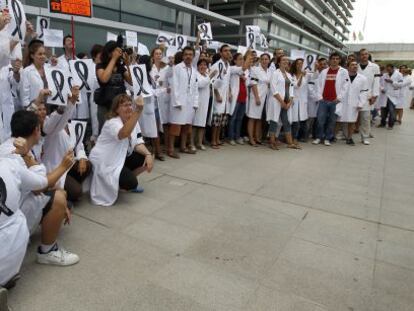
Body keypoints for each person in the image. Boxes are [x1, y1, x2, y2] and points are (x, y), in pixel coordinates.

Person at [0, 111, 80, 266]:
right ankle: (48, 251)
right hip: (9, 219)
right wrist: (63, 166)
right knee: (58, 199)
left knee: (61, 197)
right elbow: (39, 186)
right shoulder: (15, 154)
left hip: (9, 210)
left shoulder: (10, 146)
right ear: (36, 130)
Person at [89, 95, 153, 206]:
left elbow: (138, 142)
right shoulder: (112, 122)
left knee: (144, 158)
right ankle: (120, 183)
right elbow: (123, 133)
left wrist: (148, 154)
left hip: (120, 157)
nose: (128, 107)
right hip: (105, 161)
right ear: (116, 109)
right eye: (124, 105)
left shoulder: (133, 121)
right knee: (131, 182)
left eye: (130, 104)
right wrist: (138, 111)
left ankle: (120, 183)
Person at [313, 52, 349, 146]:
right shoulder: (324, 71)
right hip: (323, 100)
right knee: (320, 120)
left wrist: (339, 98)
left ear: (339, 60)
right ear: (330, 60)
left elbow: (346, 86)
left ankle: (327, 138)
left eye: (337, 59)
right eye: (333, 58)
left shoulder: (343, 72)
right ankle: (319, 137)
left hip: (335, 101)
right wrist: (320, 97)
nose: (335, 60)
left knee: (332, 121)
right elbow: (318, 85)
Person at [95, 40, 132, 131]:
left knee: (121, 129)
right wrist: (113, 59)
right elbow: (104, 79)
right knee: (105, 130)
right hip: (105, 104)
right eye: (116, 50)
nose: (118, 53)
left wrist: (127, 64)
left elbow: (132, 81)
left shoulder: (120, 67)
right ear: (109, 52)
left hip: (120, 105)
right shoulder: (100, 65)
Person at [168, 46, 198, 157]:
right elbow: (174, 85)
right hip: (179, 103)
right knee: (175, 126)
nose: (188, 56)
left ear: (193, 56)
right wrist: (177, 102)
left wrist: (195, 103)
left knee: (187, 127)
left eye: (190, 54)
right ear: (183, 56)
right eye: (186, 54)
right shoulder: (177, 68)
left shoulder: (194, 70)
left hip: (189, 103)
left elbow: (195, 88)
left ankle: (183, 147)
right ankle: (170, 149)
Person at [267, 55, 297, 149]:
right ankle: (272, 143)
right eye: (283, 60)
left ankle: (290, 143)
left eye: (287, 60)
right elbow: (273, 89)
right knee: (274, 121)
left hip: (287, 102)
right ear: (279, 62)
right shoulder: (275, 73)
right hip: (277, 101)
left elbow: (292, 90)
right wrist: (281, 101)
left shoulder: (289, 75)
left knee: (286, 121)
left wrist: (290, 101)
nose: (285, 61)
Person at [138, 55, 164, 161]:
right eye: (150, 61)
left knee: (155, 130)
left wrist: (158, 84)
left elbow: (153, 87)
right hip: (147, 108)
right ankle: (148, 153)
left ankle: (157, 151)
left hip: (154, 106)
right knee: (145, 132)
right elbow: (147, 91)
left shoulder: (149, 74)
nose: (151, 63)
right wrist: (161, 90)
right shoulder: (141, 75)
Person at [339, 61, 368, 145]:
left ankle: (349, 138)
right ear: (348, 67)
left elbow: (364, 92)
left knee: (351, 121)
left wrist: (361, 103)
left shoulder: (363, 78)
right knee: (338, 120)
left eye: (356, 65)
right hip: (342, 101)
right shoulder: (342, 76)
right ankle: (333, 136)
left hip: (354, 103)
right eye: (352, 65)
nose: (355, 66)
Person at [210, 44, 232, 149]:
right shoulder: (217, 65)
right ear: (221, 52)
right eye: (225, 51)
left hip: (225, 96)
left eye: (229, 51)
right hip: (218, 96)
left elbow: (227, 82)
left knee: (221, 120)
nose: (228, 52)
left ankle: (218, 139)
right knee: (216, 120)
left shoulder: (228, 65)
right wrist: (217, 94)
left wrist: (230, 92)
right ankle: (213, 140)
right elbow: (212, 82)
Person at [247, 53, 271, 146]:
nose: (265, 61)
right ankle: (251, 138)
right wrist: (257, 97)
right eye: (263, 59)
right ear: (260, 60)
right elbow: (253, 83)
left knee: (259, 118)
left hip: (265, 97)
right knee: (252, 117)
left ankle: (257, 137)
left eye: (266, 59)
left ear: (269, 60)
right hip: (256, 96)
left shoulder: (269, 71)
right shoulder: (255, 69)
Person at [357, 49, 380, 145]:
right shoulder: (356, 66)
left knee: (366, 117)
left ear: (368, 55)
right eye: (362, 54)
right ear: (359, 56)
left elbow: (377, 82)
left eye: (366, 54)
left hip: (368, 95)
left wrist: (374, 96)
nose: (364, 56)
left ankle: (365, 137)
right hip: (355, 95)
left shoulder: (374, 67)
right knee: (352, 116)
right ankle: (347, 135)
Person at [21, 40, 51, 109]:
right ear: (32, 56)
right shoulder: (27, 71)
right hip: (34, 110)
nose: (43, 56)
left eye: (44, 54)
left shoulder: (49, 68)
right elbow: (24, 99)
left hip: (49, 109)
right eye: (40, 54)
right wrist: (29, 111)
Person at [192, 59, 213, 150]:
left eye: (205, 65)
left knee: (202, 124)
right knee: (194, 124)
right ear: (197, 66)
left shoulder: (206, 75)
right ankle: (191, 143)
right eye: (201, 65)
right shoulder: (195, 74)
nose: (203, 66)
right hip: (197, 102)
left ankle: (199, 143)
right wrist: (210, 77)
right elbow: (200, 84)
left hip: (205, 102)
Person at [290, 58, 309, 146]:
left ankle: (298, 137)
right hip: (293, 101)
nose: (300, 65)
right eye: (298, 64)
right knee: (294, 121)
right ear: (295, 65)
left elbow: (316, 77)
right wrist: (301, 75)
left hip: (302, 101)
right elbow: (297, 85)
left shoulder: (307, 75)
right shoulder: (291, 75)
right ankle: (294, 138)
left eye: (301, 64)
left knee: (301, 121)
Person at [380, 64, 403, 130]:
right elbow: (380, 83)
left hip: (393, 96)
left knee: (391, 111)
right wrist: (382, 89)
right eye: (387, 70)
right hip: (385, 95)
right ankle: (382, 123)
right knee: (383, 110)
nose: (388, 71)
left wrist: (392, 82)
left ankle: (390, 125)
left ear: (393, 69)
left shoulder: (399, 75)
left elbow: (400, 85)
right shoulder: (384, 75)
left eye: (389, 70)